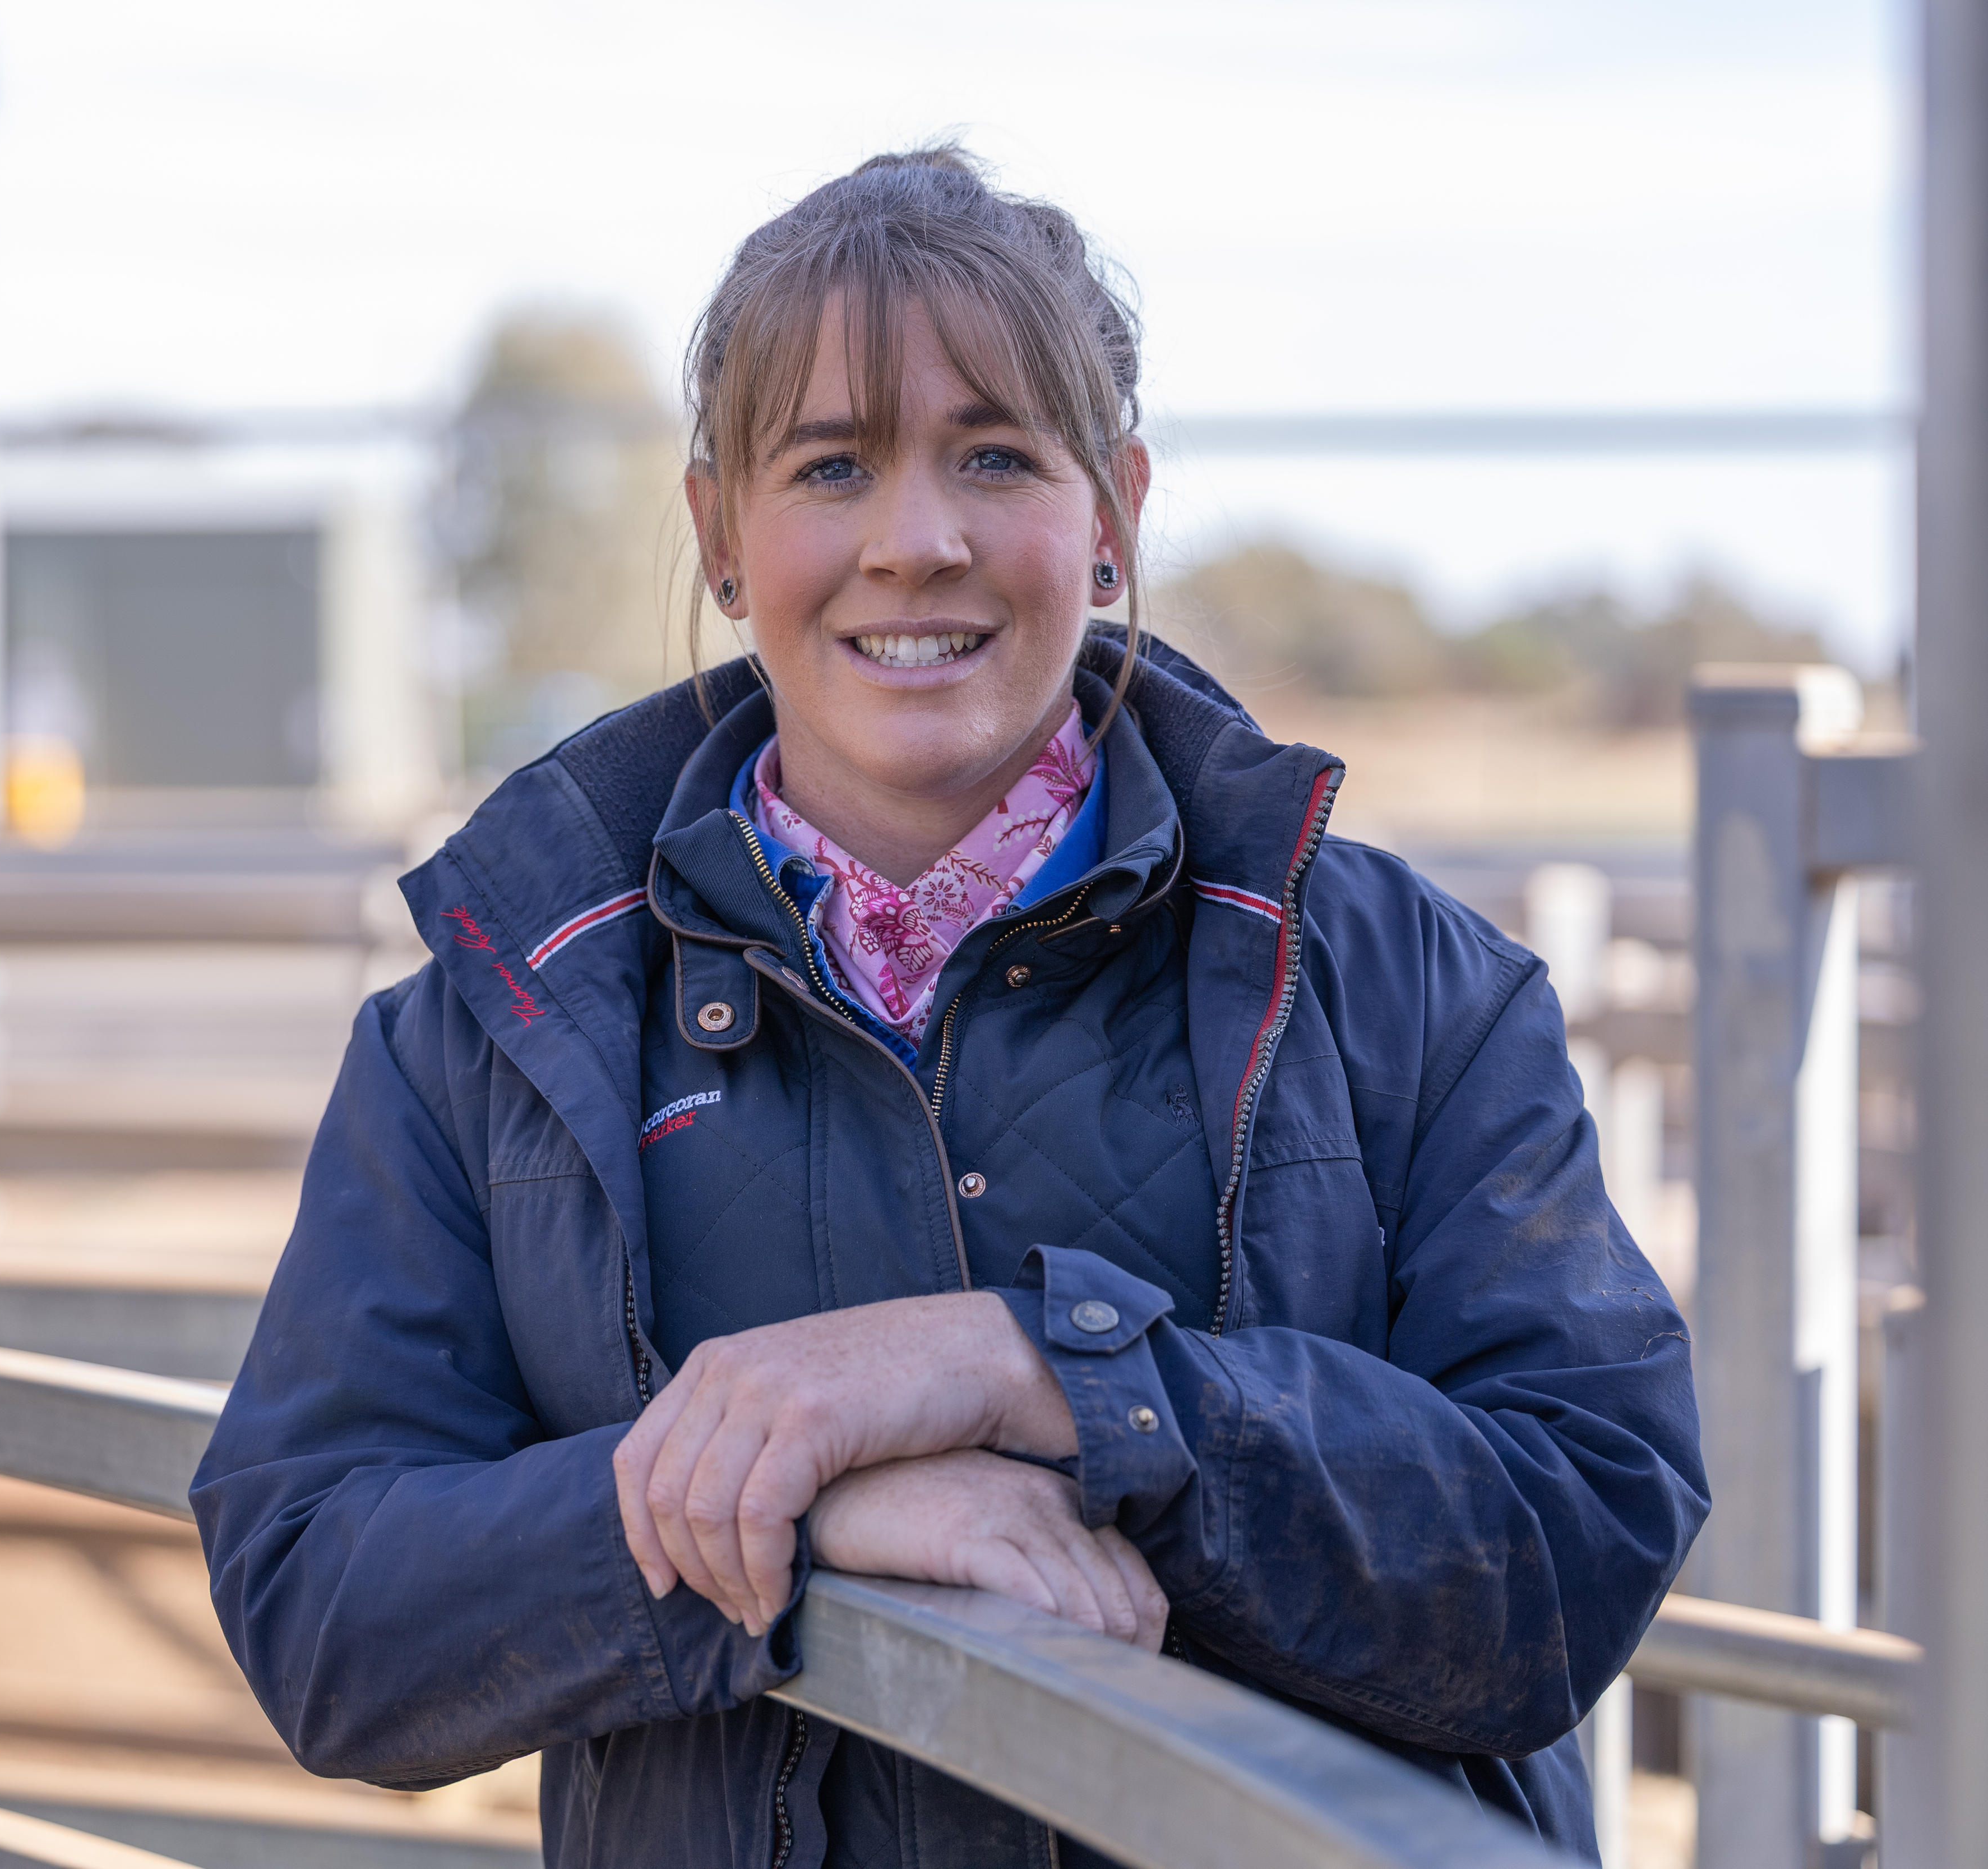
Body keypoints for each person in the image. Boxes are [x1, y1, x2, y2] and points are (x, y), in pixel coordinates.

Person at [193, 146, 1706, 1868]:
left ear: (1115, 514)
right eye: (831, 466)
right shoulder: (499, 1022)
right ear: (718, 535)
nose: (916, 542)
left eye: (995, 455)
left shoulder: (1393, 981)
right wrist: (812, 1510)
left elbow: (1580, 1530)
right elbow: (325, 1604)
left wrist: (1036, 1376)